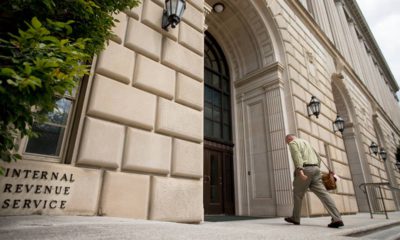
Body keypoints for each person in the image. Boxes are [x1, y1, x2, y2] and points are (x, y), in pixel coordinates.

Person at [284, 134, 344, 228]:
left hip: (305, 169)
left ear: (289, 138)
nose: (288, 144)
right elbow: (318, 157)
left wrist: (300, 170)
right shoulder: (307, 143)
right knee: (324, 195)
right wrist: (316, 169)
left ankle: (295, 218)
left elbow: (297, 156)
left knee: (298, 194)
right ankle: (337, 218)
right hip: (316, 170)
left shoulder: (293, 143)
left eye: (287, 142)